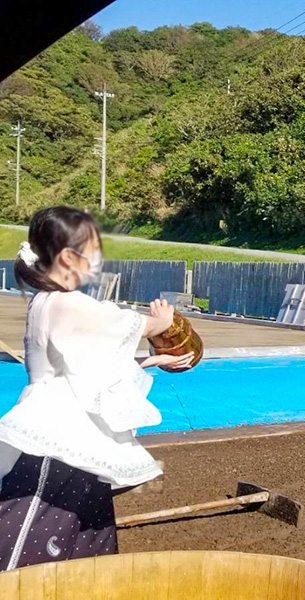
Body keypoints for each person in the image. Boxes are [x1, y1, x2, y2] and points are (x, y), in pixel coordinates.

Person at [0, 206, 194, 571]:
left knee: (89, 547)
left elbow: (88, 371)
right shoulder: (62, 303)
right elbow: (124, 324)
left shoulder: (53, 303)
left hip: (74, 444)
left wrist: (153, 361)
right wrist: (162, 321)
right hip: (52, 442)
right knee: (25, 548)